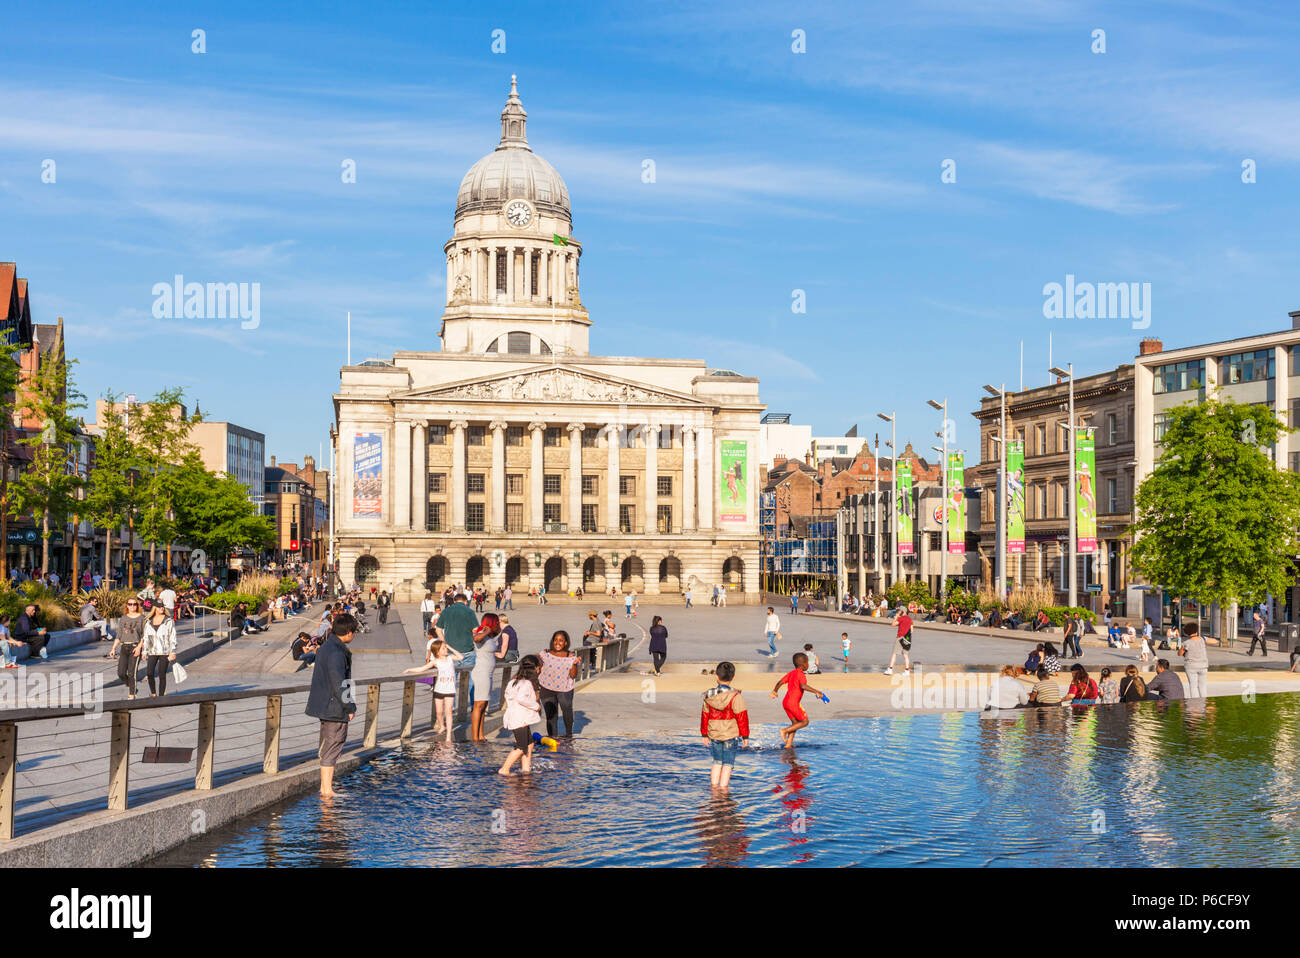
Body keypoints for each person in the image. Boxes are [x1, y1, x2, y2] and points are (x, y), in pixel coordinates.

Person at [306, 612, 358, 798]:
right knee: (333, 745)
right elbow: (339, 682)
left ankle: (326, 787)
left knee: (330, 745)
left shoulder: (328, 647)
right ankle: (326, 790)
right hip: (334, 706)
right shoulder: (337, 652)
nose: (354, 636)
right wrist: (350, 706)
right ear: (349, 632)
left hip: (326, 704)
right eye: (354, 632)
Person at [404, 637, 465, 741]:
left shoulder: (450, 658)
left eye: (445, 648)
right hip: (439, 689)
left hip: (450, 689)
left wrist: (449, 646)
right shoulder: (435, 662)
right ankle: (442, 726)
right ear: (437, 651)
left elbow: (461, 657)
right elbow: (422, 669)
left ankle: (448, 736)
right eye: (443, 648)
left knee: (448, 711)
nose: (445, 649)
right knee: (439, 712)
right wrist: (409, 669)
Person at [701, 661, 749, 789]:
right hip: (730, 734)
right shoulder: (735, 696)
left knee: (717, 762)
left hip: (714, 734)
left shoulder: (708, 695)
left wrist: (704, 734)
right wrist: (745, 736)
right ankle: (723, 791)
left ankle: (714, 790)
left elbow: (705, 715)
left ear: (716, 676)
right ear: (732, 677)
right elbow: (742, 716)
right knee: (727, 764)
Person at [498, 654, 545, 776]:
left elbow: (509, 696)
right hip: (519, 720)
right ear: (535, 669)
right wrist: (536, 706)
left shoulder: (513, 682)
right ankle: (504, 769)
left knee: (529, 743)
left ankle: (526, 768)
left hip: (515, 718)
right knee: (521, 746)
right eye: (538, 668)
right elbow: (521, 699)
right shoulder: (527, 684)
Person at [770, 652, 824, 747]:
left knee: (795, 723)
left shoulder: (791, 673)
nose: (808, 665)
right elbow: (803, 686)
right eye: (807, 663)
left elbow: (780, 682)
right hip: (793, 703)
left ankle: (788, 744)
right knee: (805, 722)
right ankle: (784, 731)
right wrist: (817, 692)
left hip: (785, 702)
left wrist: (775, 691)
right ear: (803, 665)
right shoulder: (801, 674)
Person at [539, 630, 581, 737]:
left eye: (561, 640)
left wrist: (574, 664)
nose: (558, 643)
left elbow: (573, 675)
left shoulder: (571, 657)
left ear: (566, 643)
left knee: (567, 711)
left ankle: (568, 735)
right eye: (556, 640)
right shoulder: (544, 654)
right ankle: (553, 738)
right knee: (551, 716)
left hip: (565, 689)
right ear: (552, 641)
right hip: (546, 688)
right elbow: (536, 665)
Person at [469, 613, 501, 742]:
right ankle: (475, 738)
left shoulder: (489, 637)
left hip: (487, 673)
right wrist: (486, 630)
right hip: (481, 673)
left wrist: (491, 632)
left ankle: (481, 735)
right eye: (497, 622)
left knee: (484, 704)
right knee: (479, 704)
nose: (498, 624)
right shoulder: (482, 634)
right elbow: (475, 639)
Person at [110, 598, 147, 699]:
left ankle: (131, 695)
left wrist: (140, 647)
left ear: (137, 605)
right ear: (127, 605)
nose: (132, 606)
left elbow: (145, 635)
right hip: (124, 647)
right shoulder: (123, 618)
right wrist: (113, 648)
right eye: (130, 604)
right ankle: (132, 686)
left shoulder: (142, 618)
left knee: (132, 673)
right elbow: (119, 634)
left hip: (135, 647)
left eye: (134, 604)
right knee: (121, 673)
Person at [141, 601, 178, 696]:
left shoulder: (169, 621)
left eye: (163, 606)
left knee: (162, 674)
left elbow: (172, 636)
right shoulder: (148, 621)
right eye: (159, 606)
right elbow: (146, 637)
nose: (162, 608)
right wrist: (144, 651)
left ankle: (161, 696)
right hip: (152, 651)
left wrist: (173, 651)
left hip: (165, 651)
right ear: (155, 608)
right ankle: (153, 694)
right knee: (149, 673)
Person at [1178, 623, 1209, 698]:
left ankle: (1195, 705)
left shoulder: (1186, 643)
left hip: (1191, 666)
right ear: (1196, 630)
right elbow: (1214, 641)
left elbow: (1180, 653)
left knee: (1193, 686)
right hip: (1203, 666)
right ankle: (1203, 702)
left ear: (1187, 632)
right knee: (1202, 686)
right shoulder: (1202, 639)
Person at [884, 607, 913, 675]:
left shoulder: (901, 618)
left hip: (900, 637)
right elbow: (912, 630)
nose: (898, 612)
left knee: (894, 654)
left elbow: (893, 624)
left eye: (899, 611)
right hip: (907, 638)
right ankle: (907, 670)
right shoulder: (910, 619)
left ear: (903, 611)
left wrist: (895, 617)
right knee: (905, 655)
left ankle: (890, 669)